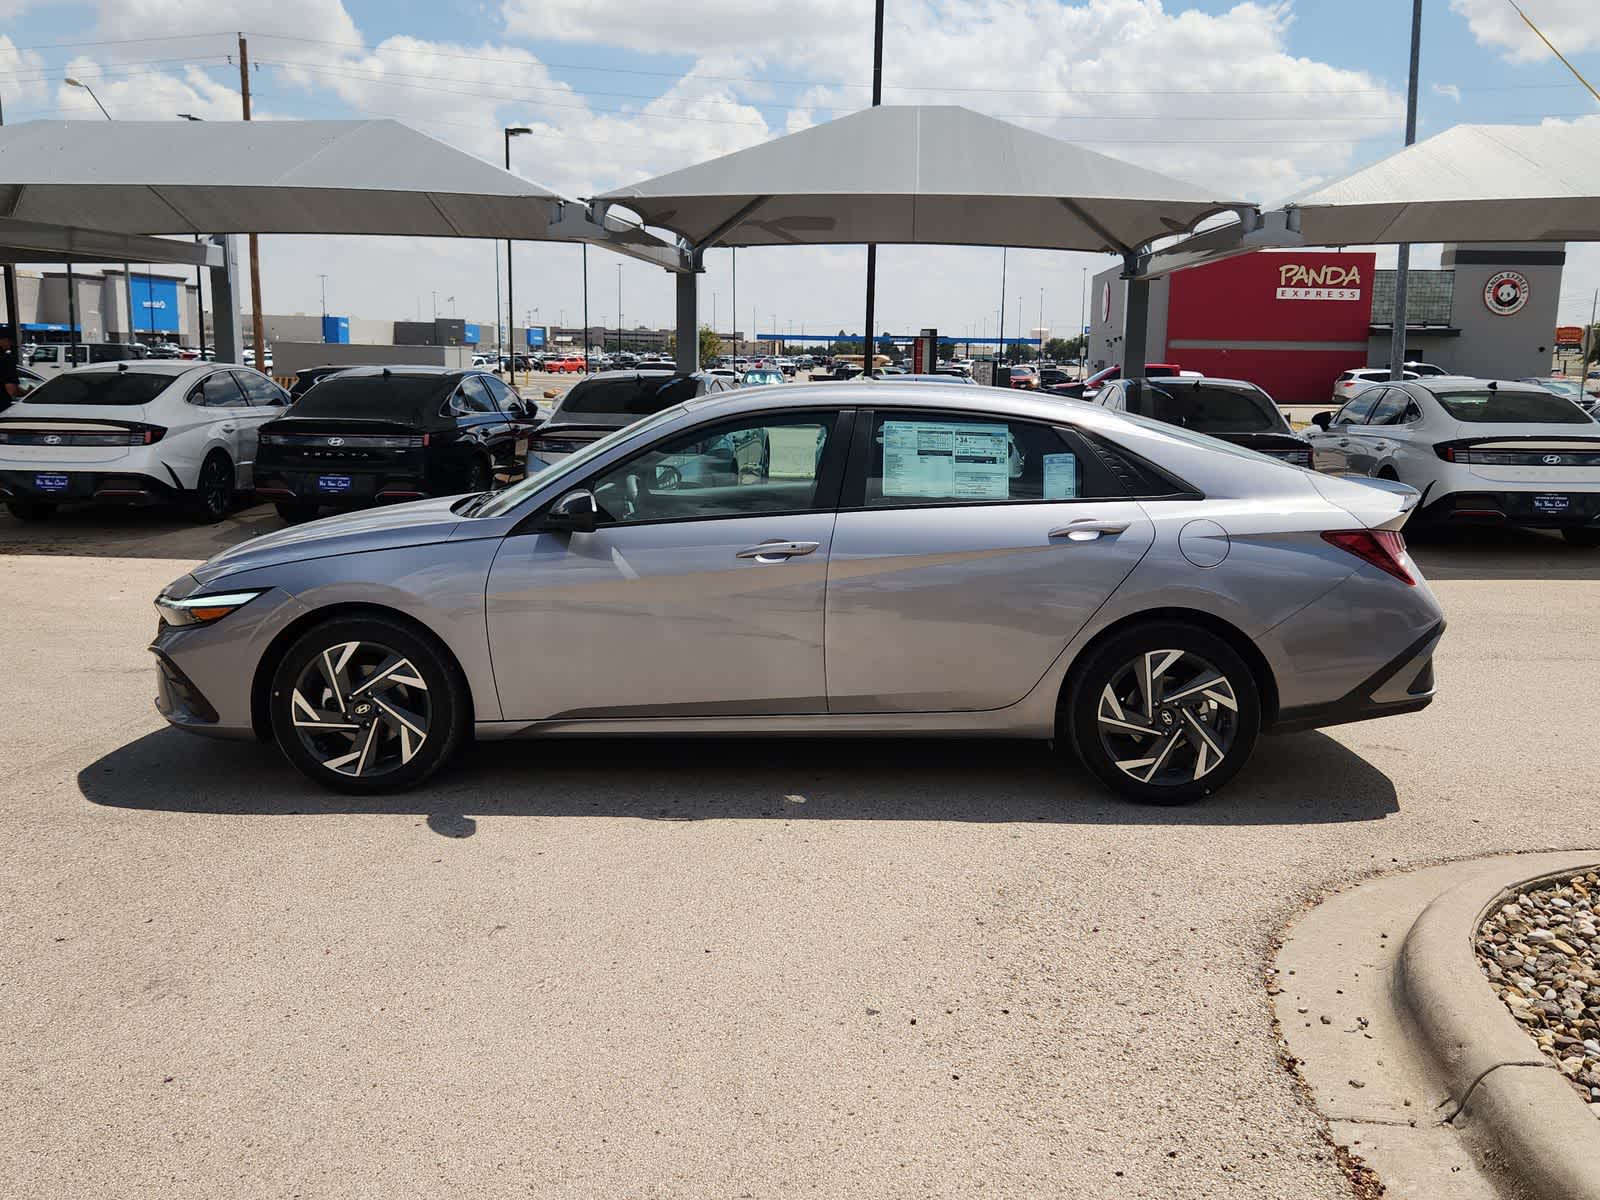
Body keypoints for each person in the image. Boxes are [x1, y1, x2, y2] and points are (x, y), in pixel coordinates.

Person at [0, 329, 20, 413]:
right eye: (9, 340)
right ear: (3, 340)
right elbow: (11, 389)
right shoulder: (6, 360)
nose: (10, 343)